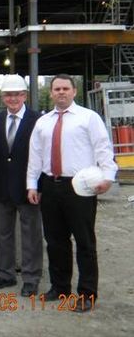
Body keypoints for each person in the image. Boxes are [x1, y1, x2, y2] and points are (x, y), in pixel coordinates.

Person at [27, 74, 117, 312]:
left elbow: (103, 147)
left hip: (80, 188)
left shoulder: (89, 118)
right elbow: (35, 156)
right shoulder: (43, 122)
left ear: (74, 91)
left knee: (85, 241)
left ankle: (87, 293)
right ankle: (60, 287)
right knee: (55, 241)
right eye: (56, 89)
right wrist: (31, 185)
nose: (61, 92)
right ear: (51, 93)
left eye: (65, 88)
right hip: (50, 184)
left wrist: (108, 176)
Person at [0, 75, 42, 297]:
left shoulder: (37, 120)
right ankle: (5, 274)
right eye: (8, 95)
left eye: (17, 94)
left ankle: (31, 277)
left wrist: (37, 186)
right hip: (2, 188)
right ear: (2, 97)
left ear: (25, 95)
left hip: (29, 189)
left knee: (31, 235)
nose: (13, 98)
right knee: (4, 233)